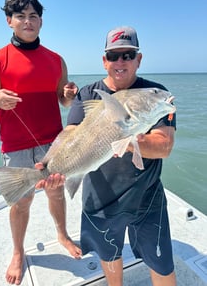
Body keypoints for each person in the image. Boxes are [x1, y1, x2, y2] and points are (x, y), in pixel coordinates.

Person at [0, 0, 81, 285]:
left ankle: (62, 234)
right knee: (22, 202)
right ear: (9, 21)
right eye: (21, 16)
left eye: (33, 16)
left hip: (54, 143)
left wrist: (69, 96)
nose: (28, 21)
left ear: (41, 22)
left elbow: (64, 101)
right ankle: (18, 252)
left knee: (57, 191)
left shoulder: (57, 61)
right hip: (16, 145)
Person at [64, 26, 177, 286]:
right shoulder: (87, 93)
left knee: (162, 262)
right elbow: (71, 134)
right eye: (114, 56)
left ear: (139, 59)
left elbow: (164, 146)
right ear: (105, 61)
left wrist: (126, 135)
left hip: (146, 198)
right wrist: (52, 166)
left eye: (128, 55)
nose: (121, 61)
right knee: (109, 255)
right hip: (99, 197)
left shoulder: (156, 94)